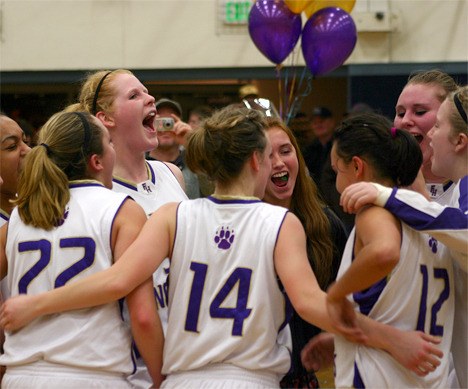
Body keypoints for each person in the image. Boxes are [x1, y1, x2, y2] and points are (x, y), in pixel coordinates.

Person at [0, 107, 446, 387]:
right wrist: (389, 338)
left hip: (181, 380)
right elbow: (312, 305)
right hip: (247, 378)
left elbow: (118, 279)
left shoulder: (172, 216)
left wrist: (35, 304)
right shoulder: (279, 220)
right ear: (256, 160)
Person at [0, 111, 164, 388]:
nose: (114, 149)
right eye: (110, 142)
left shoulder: (20, 215)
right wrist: (162, 378)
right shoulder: (121, 210)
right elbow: (143, 316)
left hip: (21, 375)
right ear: (96, 161)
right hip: (90, 373)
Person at [340, 85, 468, 388]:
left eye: (436, 123)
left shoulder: (439, 209)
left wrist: (387, 195)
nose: (433, 134)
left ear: (461, 141)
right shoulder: (448, 202)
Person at [72, 69, 189, 388]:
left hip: (184, 352)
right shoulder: (97, 194)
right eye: (134, 95)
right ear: (105, 118)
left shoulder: (171, 173)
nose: (150, 98)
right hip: (129, 366)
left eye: (147, 91)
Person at [262, 117, 348, 388]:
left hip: (312, 372)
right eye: (267, 155)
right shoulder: (240, 227)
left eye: (286, 151)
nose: (278, 162)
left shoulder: (325, 223)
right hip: (255, 372)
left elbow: (347, 294)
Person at [395, 69, 458, 204]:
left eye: (420, 112)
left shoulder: (462, 189)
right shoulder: (382, 185)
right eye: (400, 113)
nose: (405, 120)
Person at [303, 106, 355, 232]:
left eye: (322, 120)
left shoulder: (343, 147)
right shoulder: (308, 150)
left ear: (332, 122)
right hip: (316, 206)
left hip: (341, 205)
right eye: (315, 121)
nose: (318, 124)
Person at [147, 98, 201, 199]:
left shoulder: (194, 161)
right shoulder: (139, 163)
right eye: (159, 122)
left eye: (170, 122)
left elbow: (213, 190)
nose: (165, 128)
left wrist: (193, 143)